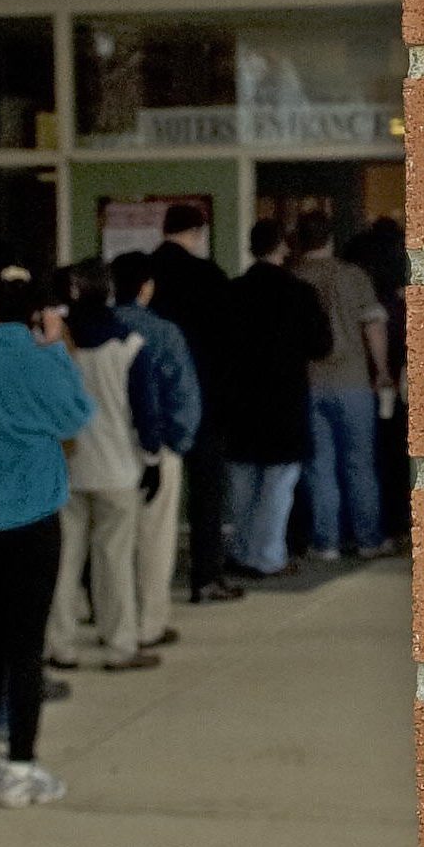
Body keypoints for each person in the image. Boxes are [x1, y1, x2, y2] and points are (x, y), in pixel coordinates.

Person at [0, 268, 93, 807]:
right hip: (31, 520)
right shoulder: (35, 359)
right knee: (25, 648)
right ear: (38, 316)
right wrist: (55, 350)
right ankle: (22, 769)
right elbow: (77, 415)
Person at [42, 264, 159, 676]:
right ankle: (120, 646)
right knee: (114, 561)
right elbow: (146, 412)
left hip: (66, 468)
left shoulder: (56, 343)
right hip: (117, 468)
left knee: (64, 560)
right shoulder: (130, 345)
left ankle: (61, 645)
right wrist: (152, 460)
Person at [211, 221, 332, 578]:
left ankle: (242, 549)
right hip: (285, 400)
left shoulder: (232, 292)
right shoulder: (299, 293)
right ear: (282, 246)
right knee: (278, 487)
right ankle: (268, 555)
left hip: (240, 401)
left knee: (242, 485)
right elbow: (321, 345)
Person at [143, 203, 241, 604]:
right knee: (206, 492)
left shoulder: (144, 273)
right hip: (203, 397)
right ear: (198, 232)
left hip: (151, 398)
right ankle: (205, 577)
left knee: (152, 494)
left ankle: (147, 580)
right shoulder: (209, 277)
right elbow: (228, 344)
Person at [107, 248, 203, 653]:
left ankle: (115, 623)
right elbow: (184, 396)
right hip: (157, 445)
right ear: (147, 287)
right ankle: (151, 622)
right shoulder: (165, 333)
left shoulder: (99, 329)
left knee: (112, 545)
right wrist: (176, 443)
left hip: (107, 446)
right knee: (155, 539)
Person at [291, 213, 395, 562]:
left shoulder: (293, 277)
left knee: (319, 468)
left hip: (308, 384)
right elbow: (374, 326)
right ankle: (368, 539)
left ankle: (326, 543)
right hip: (352, 382)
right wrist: (380, 370)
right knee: (359, 464)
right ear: (330, 239)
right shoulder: (353, 276)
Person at [346, 217, 413, 544]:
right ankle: (393, 521)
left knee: (362, 456)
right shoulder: (401, 300)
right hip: (395, 379)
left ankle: (359, 526)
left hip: (358, 377)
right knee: (393, 452)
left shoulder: (358, 274)